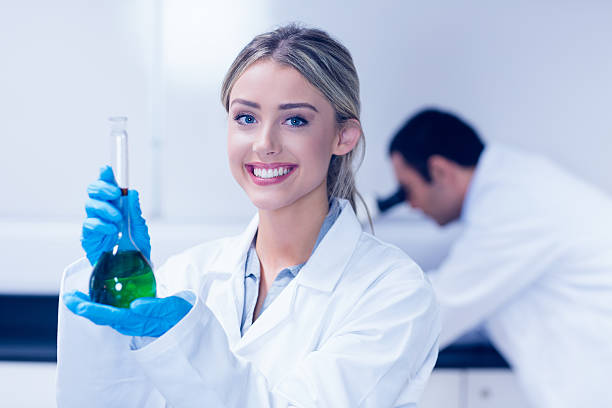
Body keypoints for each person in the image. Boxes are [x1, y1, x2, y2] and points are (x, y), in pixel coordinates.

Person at [56, 25, 440, 407]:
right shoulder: (189, 274)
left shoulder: (395, 294)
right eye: (246, 118)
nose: (264, 144)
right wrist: (109, 282)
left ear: (344, 136)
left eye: (295, 120)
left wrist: (179, 340)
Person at [384, 108, 612, 407]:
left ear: (439, 171)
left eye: (407, 190)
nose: (411, 206)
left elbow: (436, 311)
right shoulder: (515, 185)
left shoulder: (515, 204)